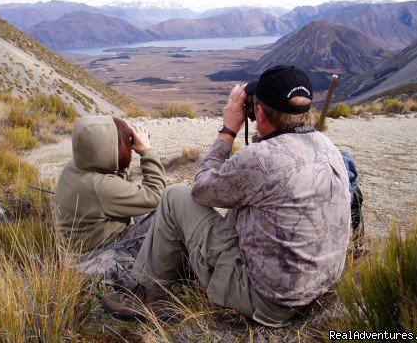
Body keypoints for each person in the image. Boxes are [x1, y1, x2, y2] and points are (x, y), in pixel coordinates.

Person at [101, 66, 351, 327]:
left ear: (260, 112)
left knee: (176, 197)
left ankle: (147, 297)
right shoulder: (326, 145)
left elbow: (202, 188)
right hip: (317, 291)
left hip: (270, 303)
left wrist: (228, 129)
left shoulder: (261, 158)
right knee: (241, 201)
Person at [54, 115, 166, 288]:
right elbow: (155, 196)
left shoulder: (78, 165)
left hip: (77, 249)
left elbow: (115, 182)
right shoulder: (98, 186)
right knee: (167, 215)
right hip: (92, 258)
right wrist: (146, 152)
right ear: (106, 150)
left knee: (152, 216)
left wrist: (119, 152)